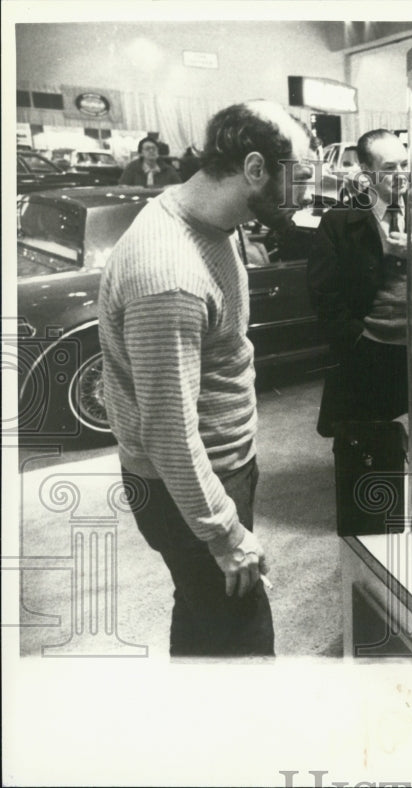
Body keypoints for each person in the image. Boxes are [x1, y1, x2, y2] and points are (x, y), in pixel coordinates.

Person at [99, 101, 314, 657]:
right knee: (243, 644)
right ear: (256, 168)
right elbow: (168, 431)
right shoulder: (169, 272)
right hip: (191, 486)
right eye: (302, 175)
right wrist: (224, 535)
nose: (307, 193)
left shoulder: (206, 221)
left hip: (213, 472)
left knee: (201, 620)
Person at [307, 129, 412, 433]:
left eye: (405, 164)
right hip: (369, 348)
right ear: (366, 173)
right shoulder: (338, 220)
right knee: (373, 437)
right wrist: (353, 337)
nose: (402, 174)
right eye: (390, 168)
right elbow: (323, 291)